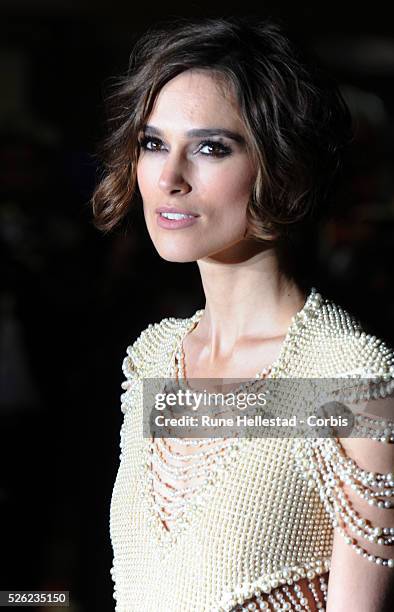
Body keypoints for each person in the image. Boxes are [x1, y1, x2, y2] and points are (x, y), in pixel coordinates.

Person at [91, 16, 394, 611]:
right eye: (153, 143)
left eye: (209, 147)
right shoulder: (157, 359)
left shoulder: (348, 380)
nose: (168, 178)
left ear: (282, 165)